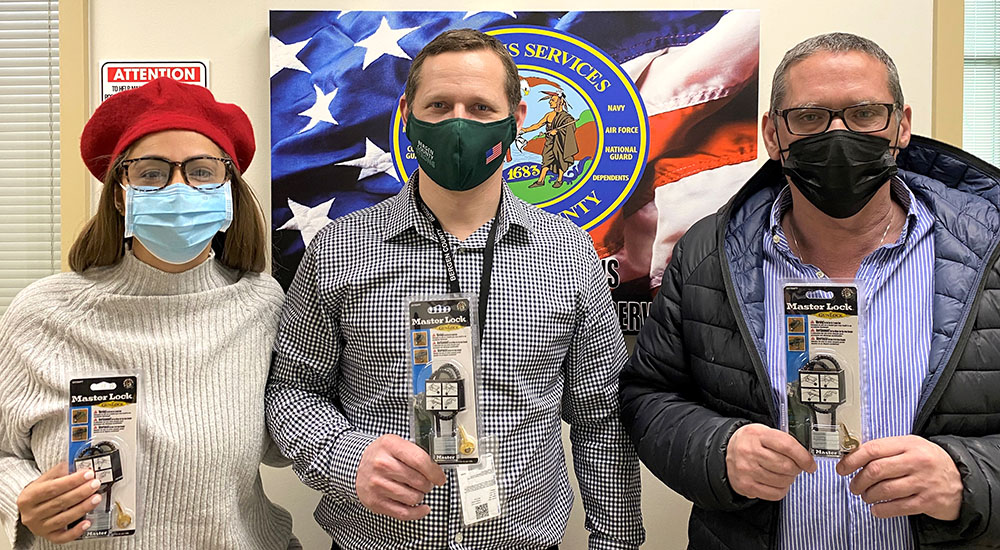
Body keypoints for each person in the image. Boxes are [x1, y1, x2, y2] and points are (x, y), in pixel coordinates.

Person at [619, 32, 1000, 549]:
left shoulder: (992, 252)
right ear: (773, 135)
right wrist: (717, 450)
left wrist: (968, 476)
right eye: (810, 117)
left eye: (865, 113)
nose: (838, 134)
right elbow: (651, 395)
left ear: (901, 126)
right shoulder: (706, 253)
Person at [266, 29, 643, 550]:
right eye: (439, 105)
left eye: (481, 107)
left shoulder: (571, 255)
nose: (459, 123)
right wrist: (347, 461)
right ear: (406, 112)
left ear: (517, 120)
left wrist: (617, 542)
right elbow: (292, 392)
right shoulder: (338, 249)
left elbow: (600, 419)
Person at [0, 78, 297, 549]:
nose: (178, 188)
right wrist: (20, 498)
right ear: (120, 194)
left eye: (202, 172)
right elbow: (3, 452)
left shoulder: (264, 305)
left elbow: (287, 444)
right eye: (152, 173)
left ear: (229, 191)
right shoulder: (42, 313)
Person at [521, 91, 578, 189]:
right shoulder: (549, 115)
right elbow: (538, 125)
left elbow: (570, 130)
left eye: (552, 100)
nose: (550, 102)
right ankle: (540, 181)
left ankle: (559, 180)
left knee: (560, 160)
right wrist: (525, 130)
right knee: (546, 161)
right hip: (550, 142)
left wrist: (558, 132)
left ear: (560, 102)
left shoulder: (567, 118)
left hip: (561, 143)